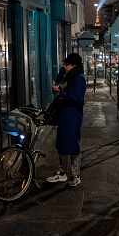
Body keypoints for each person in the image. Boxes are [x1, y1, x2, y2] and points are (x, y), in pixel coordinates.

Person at [47, 53, 86, 187]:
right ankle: (62, 172)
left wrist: (62, 92)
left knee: (73, 145)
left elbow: (77, 97)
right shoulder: (69, 75)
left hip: (73, 115)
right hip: (64, 113)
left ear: (74, 65)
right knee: (62, 143)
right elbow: (59, 80)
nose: (65, 66)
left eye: (67, 65)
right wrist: (62, 71)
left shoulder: (79, 78)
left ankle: (75, 175)